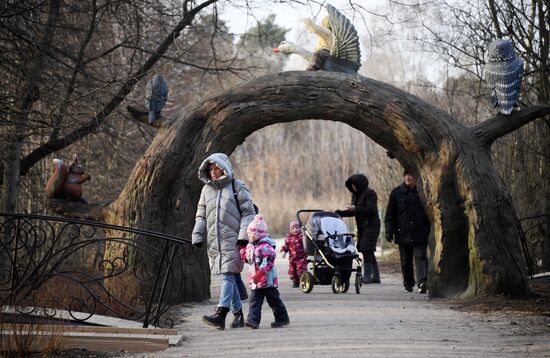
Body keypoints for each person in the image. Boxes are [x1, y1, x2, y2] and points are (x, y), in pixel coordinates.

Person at [192, 153, 256, 330]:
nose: (213, 172)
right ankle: (238, 315)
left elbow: (248, 213)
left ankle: (221, 314)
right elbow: (201, 215)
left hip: (234, 240)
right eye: (210, 169)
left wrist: (243, 237)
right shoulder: (206, 191)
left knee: (227, 276)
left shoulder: (237, 186)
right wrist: (197, 235)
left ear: (224, 167)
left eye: (216, 168)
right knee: (231, 276)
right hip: (215, 242)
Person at [385, 169, 431, 293]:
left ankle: (423, 282)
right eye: (406, 175)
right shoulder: (396, 193)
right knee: (406, 260)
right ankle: (409, 283)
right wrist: (389, 231)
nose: (408, 178)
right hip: (403, 232)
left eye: (410, 175)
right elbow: (390, 214)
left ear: (415, 177)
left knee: (420, 257)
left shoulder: (423, 192)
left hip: (420, 231)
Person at [240, 214, 290, 329]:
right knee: (254, 301)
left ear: (259, 234)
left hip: (268, 280)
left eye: (252, 234)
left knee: (274, 300)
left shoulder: (266, 247)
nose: (250, 236)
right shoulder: (251, 246)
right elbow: (249, 260)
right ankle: (253, 320)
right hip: (256, 281)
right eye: (249, 234)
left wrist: (260, 273)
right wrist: (242, 252)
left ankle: (282, 318)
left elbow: (269, 261)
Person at [335, 174, 381, 284]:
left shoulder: (370, 193)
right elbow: (355, 212)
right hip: (362, 226)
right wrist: (341, 213)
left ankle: (367, 276)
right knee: (368, 250)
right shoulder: (355, 196)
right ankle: (376, 276)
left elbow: (371, 210)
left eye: (355, 185)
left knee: (366, 248)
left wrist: (355, 208)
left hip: (371, 225)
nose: (353, 188)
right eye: (352, 186)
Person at [280, 220, 307, 288]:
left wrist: (304, 234)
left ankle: (302, 281)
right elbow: (285, 246)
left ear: (300, 229)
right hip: (292, 259)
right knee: (292, 271)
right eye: (293, 228)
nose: (295, 230)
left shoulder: (301, 237)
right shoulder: (288, 238)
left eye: (297, 228)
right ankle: (295, 282)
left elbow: (306, 244)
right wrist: (283, 251)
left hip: (301, 258)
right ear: (290, 230)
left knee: (301, 270)